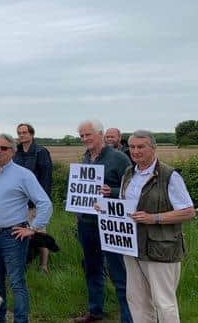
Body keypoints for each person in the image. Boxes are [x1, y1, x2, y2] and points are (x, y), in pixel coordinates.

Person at [0, 133, 52, 323]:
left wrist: (33, 228)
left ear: (13, 152)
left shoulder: (23, 175)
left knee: (17, 283)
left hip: (13, 237)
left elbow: (44, 203)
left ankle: (20, 320)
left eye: (3, 148)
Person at [118, 130, 194, 323]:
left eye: (141, 146)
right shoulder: (128, 174)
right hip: (131, 246)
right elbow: (125, 207)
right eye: (132, 147)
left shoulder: (169, 175)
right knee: (137, 300)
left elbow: (188, 211)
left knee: (164, 303)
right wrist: (104, 207)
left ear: (153, 148)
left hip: (161, 248)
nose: (135, 151)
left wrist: (154, 218)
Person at [74, 120, 133, 323]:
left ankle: (127, 317)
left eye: (88, 135)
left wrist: (113, 192)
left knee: (119, 273)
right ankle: (95, 311)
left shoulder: (119, 158)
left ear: (99, 134)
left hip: (111, 224)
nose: (84, 139)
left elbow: (133, 190)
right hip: (87, 224)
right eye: (81, 136)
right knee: (92, 268)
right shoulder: (86, 158)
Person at [14, 122, 53, 272]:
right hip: (19, 202)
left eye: (24, 132)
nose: (22, 135)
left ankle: (44, 265)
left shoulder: (41, 152)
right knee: (21, 232)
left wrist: (41, 201)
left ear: (31, 134)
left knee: (39, 232)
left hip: (35, 201)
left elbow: (46, 178)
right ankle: (26, 261)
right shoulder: (16, 152)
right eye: (19, 133)